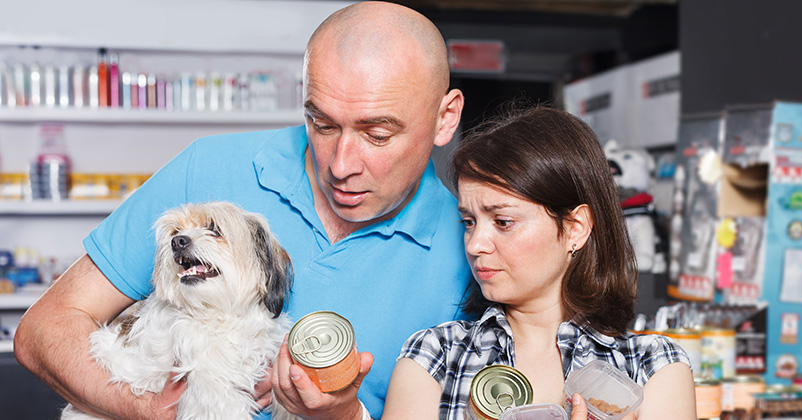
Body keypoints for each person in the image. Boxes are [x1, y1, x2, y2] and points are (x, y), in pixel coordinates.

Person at [14, 2, 470, 419]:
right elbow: (43, 330)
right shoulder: (207, 168)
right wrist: (154, 410)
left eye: (377, 135)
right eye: (322, 123)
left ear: (444, 118)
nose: (341, 165)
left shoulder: (475, 251)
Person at [381, 106, 697, 420]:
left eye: (503, 221)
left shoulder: (653, 366)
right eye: (468, 221)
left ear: (576, 228)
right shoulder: (435, 355)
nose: (475, 244)